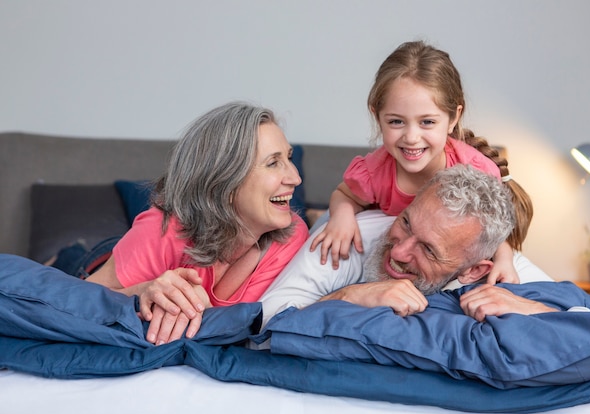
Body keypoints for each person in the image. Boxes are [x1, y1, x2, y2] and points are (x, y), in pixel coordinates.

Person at [310, 40, 533, 287]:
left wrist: (504, 258)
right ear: (377, 116)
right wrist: (342, 216)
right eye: (396, 122)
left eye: (427, 122)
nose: (411, 137)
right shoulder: (375, 171)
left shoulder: (475, 172)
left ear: (453, 118)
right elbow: (344, 194)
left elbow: (488, 232)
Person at [86, 101, 309, 345]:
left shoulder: (292, 234)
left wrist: (204, 310)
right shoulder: (164, 228)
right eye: (273, 163)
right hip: (98, 260)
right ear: (226, 181)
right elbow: (80, 298)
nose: (295, 178)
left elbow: (245, 332)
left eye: (288, 158)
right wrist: (140, 292)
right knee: (71, 260)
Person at [260, 165, 554, 328]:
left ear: (475, 269)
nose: (398, 253)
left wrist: (535, 309)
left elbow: (589, 322)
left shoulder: (506, 271)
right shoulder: (346, 238)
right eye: (406, 223)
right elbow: (261, 322)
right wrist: (351, 296)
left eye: (428, 250)